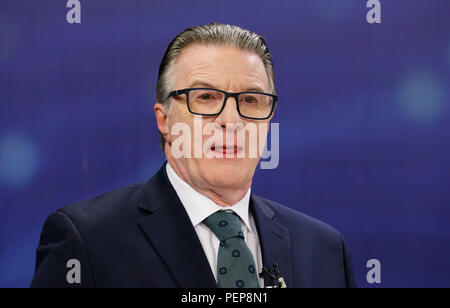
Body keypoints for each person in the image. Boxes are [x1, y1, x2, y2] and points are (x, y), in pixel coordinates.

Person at [31, 23, 357, 288]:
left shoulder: (324, 250)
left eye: (251, 100)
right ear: (165, 120)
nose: (231, 120)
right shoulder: (87, 241)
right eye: (205, 97)